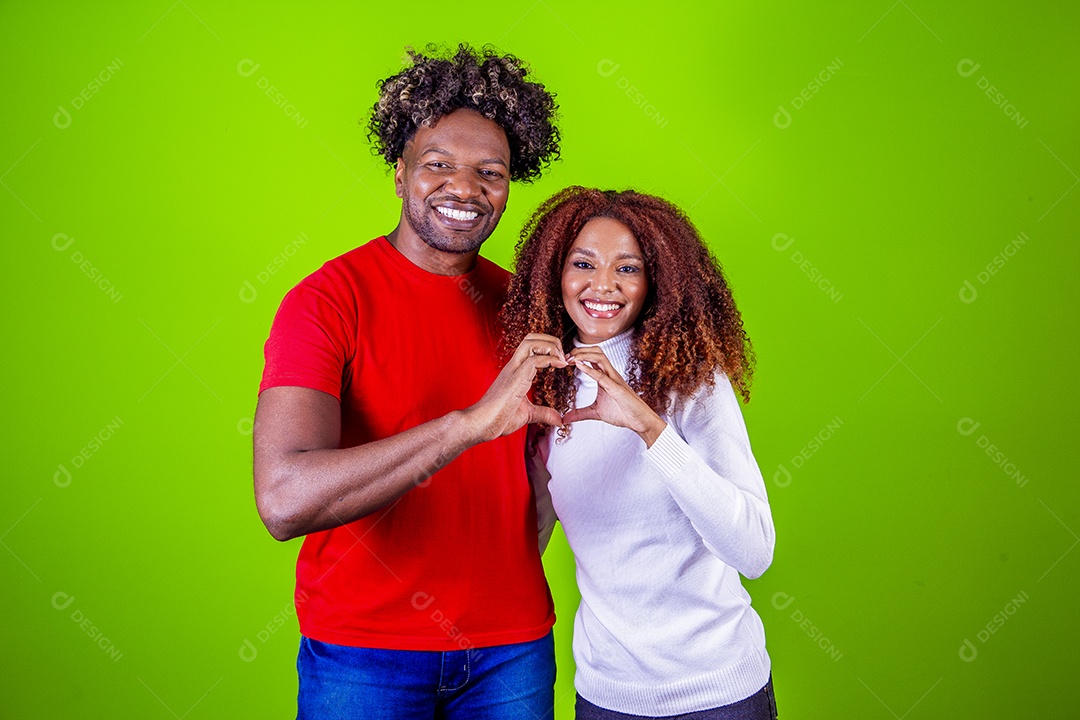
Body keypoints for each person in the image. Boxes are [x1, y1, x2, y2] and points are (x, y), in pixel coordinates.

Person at [253, 44, 570, 719]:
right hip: (364, 653)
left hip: (512, 651)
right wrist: (467, 426)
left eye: (491, 172)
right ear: (399, 175)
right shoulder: (326, 302)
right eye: (438, 165)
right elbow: (283, 499)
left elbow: (542, 472)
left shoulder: (525, 307)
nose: (466, 188)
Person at [501, 187, 779, 719]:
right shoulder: (549, 387)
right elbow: (533, 534)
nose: (603, 285)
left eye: (627, 268)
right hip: (607, 696)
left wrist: (650, 428)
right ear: (554, 273)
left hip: (717, 694)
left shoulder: (692, 382)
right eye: (583, 264)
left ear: (657, 282)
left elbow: (754, 552)